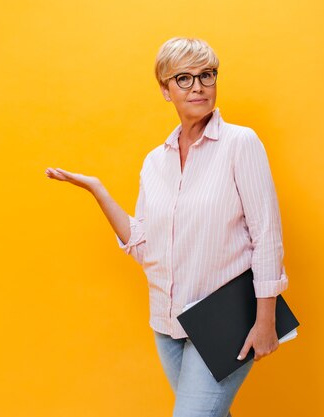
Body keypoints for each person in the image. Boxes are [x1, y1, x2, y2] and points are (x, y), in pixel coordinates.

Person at [45, 37, 289, 417]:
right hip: (166, 321)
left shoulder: (241, 143)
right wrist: (99, 191)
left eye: (207, 75)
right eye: (184, 78)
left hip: (226, 319)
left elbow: (267, 236)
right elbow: (145, 247)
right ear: (165, 89)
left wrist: (265, 319)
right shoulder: (155, 162)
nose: (199, 87)